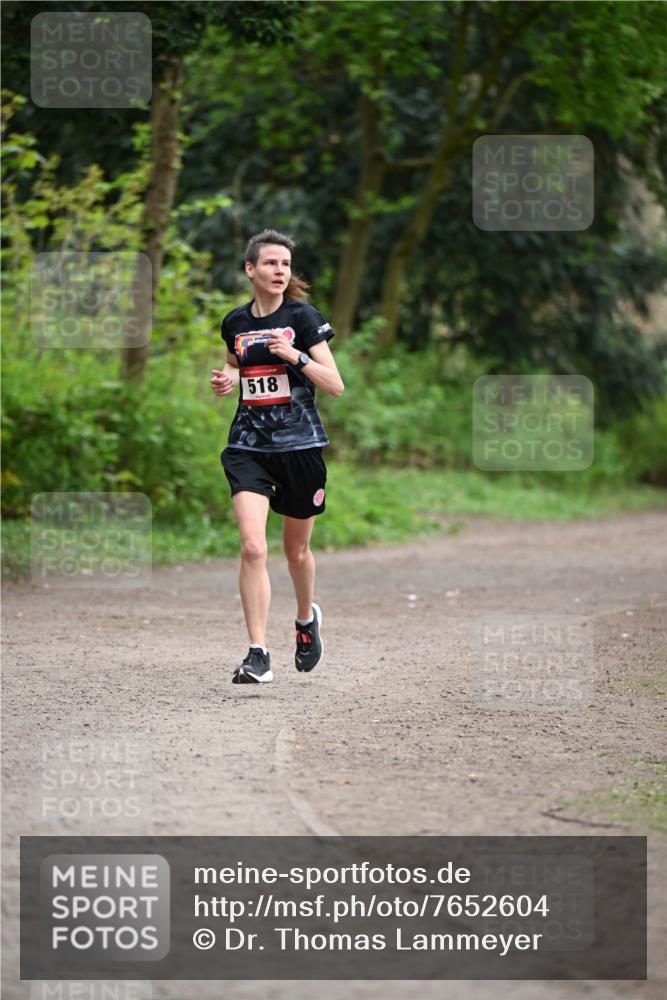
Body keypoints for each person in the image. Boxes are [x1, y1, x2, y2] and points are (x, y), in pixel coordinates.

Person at [211, 229, 344, 684]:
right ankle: (257, 652)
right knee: (253, 546)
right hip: (248, 446)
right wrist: (228, 378)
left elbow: (335, 384)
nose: (279, 271)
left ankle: (306, 621)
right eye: (270, 264)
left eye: (285, 265)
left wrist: (296, 357)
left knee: (296, 551)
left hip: (300, 448)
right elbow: (234, 360)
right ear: (251, 270)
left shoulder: (303, 318)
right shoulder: (234, 322)